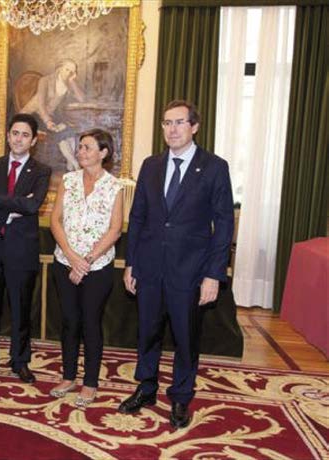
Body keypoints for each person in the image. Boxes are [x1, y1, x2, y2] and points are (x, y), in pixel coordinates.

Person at [120, 100, 234, 429]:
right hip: (150, 267)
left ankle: (181, 396)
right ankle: (146, 388)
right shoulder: (151, 165)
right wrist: (131, 263)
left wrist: (214, 274)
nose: (172, 129)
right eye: (167, 123)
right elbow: (138, 217)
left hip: (190, 270)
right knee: (148, 331)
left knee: (185, 337)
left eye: (179, 122)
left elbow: (223, 224)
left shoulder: (214, 167)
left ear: (194, 127)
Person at [49, 128, 123, 407]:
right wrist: (71, 256)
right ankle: (68, 376)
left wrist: (87, 261)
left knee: (91, 323)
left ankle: (90, 382)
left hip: (98, 267)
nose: (80, 152)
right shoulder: (68, 181)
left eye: (87, 147)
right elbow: (55, 220)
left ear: (103, 153)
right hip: (64, 263)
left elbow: (115, 230)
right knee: (69, 321)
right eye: (80, 147)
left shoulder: (114, 186)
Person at [0, 113, 51, 384]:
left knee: (21, 308)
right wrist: (17, 203)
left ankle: (20, 360)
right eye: (15, 133)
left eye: (25, 135)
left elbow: (33, 205)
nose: (19, 139)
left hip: (22, 251)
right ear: (8, 136)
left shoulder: (41, 171)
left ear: (33, 141)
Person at [21, 59, 86, 171]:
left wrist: (72, 81)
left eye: (72, 71)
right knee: (60, 133)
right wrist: (47, 121)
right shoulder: (45, 80)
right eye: (67, 69)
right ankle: (75, 164)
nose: (68, 73)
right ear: (60, 68)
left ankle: (70, 165)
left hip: (51, 115)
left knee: (70, 131)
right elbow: (41, 104)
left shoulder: (68, 83)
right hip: (34, 115)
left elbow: (82, 99)